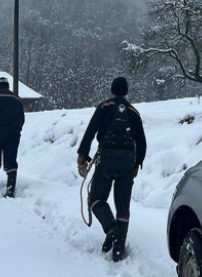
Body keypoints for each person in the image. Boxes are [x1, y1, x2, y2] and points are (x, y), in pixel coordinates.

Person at [77, 77, 147, 262]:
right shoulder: (134, 112)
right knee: (123, 206)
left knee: (96, 199)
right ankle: (119, 249)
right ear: (126, 91)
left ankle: (111, 228)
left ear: (112, 90)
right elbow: (142, 142)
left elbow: (90, 132)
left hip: (106, 160)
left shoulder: (103, 107)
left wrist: (83, 155)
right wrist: (137, 163)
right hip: (126, 163)